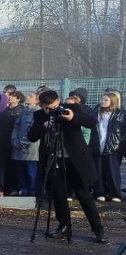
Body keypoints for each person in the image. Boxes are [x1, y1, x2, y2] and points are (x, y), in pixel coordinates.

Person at [27, 88, 107, 243]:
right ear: (42, 105)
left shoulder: (71, 109)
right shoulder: (39, 115)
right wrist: (44, 126)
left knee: (83, 194)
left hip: (74, 160)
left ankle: (98, 229)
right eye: (47, 108)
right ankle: (64, 226)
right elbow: (31, 137)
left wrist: (73, 118)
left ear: (58, 101)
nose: (51, 110)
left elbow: (91, 122)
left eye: (54, 106)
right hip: (54, 160)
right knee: (58, 195)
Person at [94, 89, 125, 202]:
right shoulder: (97, 112)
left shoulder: (120, 114)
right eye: (102, 99)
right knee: (99, 171)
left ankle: (115, 194)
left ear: (112, 101)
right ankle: (100, 192)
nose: (102, 101)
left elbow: (122, 131)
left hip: (114, 146)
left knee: (113, 172)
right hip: (99, 145)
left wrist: (119, 143)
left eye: (105, 100)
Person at [9, 90, 39, 197]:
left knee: (31, 172)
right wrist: (14, 139)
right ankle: (23, 189)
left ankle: (32, 191)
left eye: (31, 96)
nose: (28, 97)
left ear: (36, 100)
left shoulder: (37, 112)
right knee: (20, 171)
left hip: (30, 149)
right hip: (17, 146)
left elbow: (33, 130)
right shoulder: (24, 111)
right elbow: (16, 126)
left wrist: (22, 142)